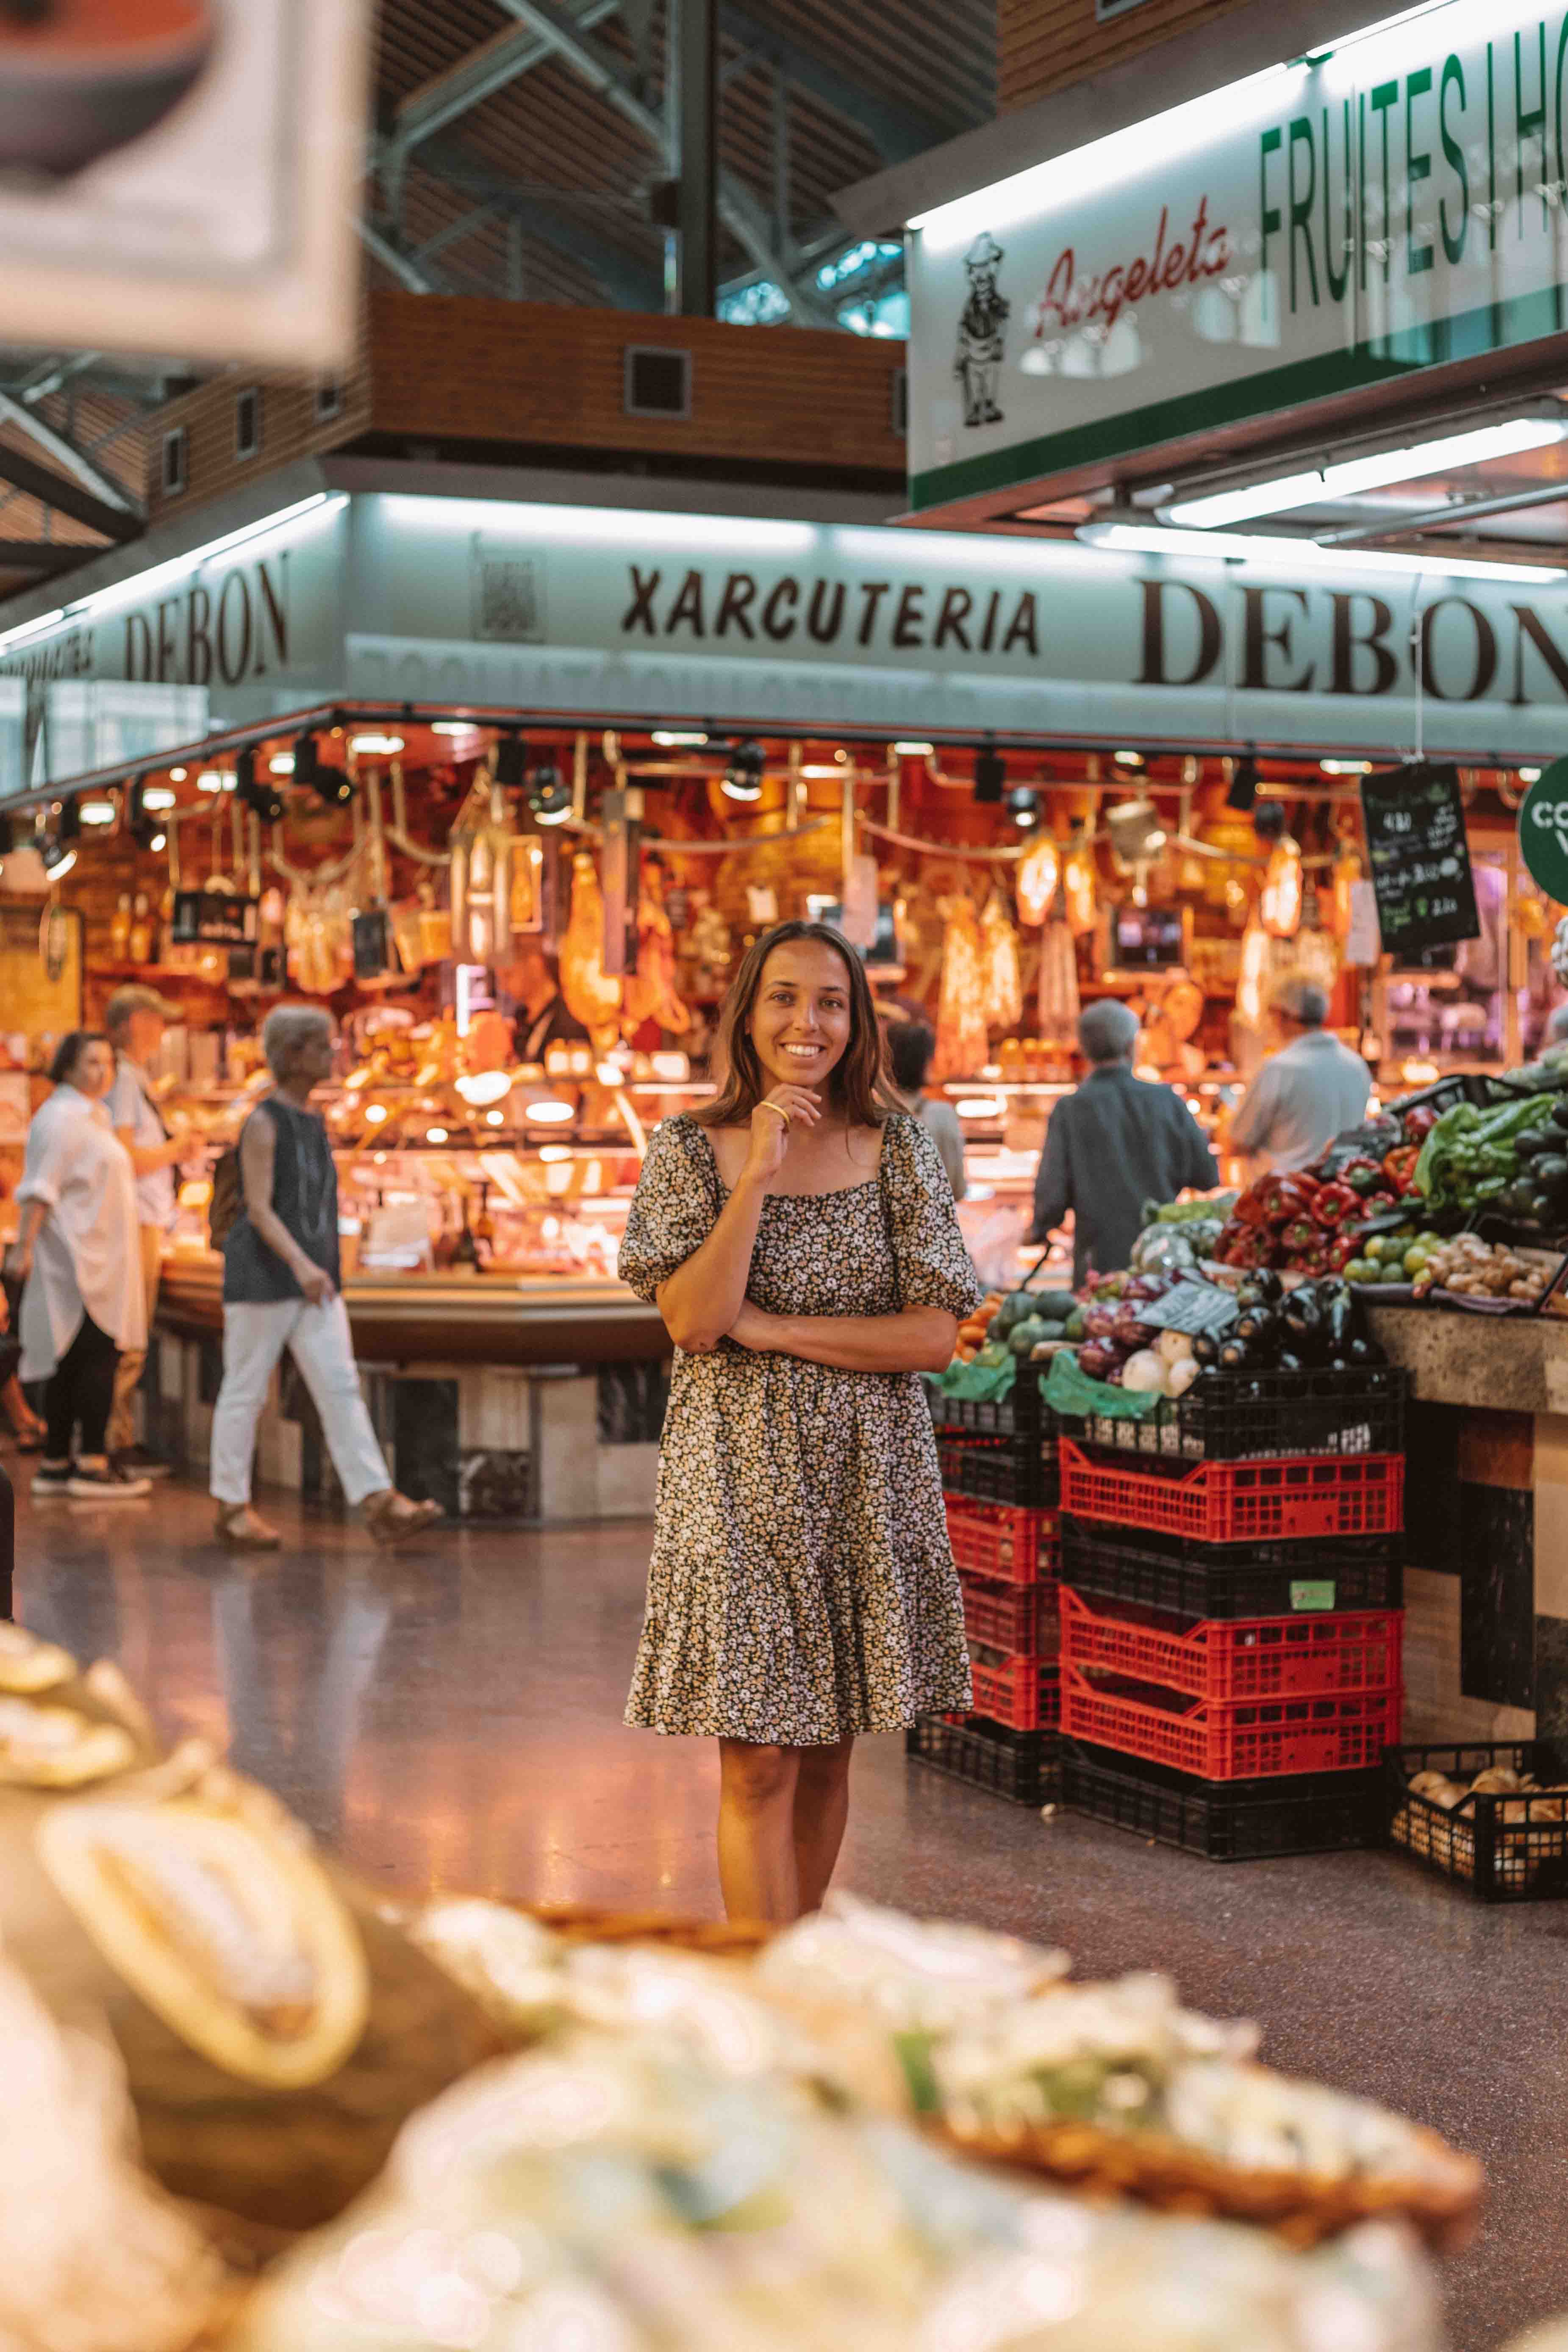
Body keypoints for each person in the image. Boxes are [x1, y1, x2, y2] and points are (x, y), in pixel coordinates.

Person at [618, 919, 982, 1925]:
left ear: (855, 1019)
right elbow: (693, 1319)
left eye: (829, 1001)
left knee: (827, 1749)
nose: (806, 1022)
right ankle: (761, 1990)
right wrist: (757, 1177)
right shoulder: (688, 1150)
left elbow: (929, 1338)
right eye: (783, 997)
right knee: (757, 1758)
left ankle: (802, 1965)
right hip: (733, 1478)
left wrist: (773, 1330)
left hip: (866, 1475)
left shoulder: (897, 1146)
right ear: (747, 1012)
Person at [209, 1005, 441, 1551]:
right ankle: (231, 1505)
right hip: (270, 1275)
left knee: (339, 1386)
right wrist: (305, 1265)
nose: (333, 1054)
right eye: (322, 1045)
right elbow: (260, 1209)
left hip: (311, 1276)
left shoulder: (312, 1120)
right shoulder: (264, 1122)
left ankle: (379, 1500)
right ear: (292, 1054)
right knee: (244, 1389)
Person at [13, 1031, 150, 1501]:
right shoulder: (62, 1118)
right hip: (78, 1259)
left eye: (108, 1062)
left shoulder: (90, 1115)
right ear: (68, 1066)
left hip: (98, 1257)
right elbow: (39, 1189)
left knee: (73, 1358)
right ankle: (89, 1462)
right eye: (91, 1062)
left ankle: (57, 1462)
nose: (101, 1072)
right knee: (93, 1357)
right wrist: (23, 1249)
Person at [1027, 999, 1217, 1285]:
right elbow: (1207, 1177)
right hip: (1164, 1261)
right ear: (1132, 1046)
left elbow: (1051, 1196)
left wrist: (1037, 1230)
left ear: (1084, 1050)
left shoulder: (1070, 1109)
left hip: (1098, 1267)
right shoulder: (1167, 1100)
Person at [105, 983, 188, 1478]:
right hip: (135, 1220)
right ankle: (114, 1443)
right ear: (135, 1021)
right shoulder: (122, 1079)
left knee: (131, 1332)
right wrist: (179, 1148)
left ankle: (119, 1438)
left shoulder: (134, 1078)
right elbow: (126, 1158)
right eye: (155, 1020)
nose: (162, 1030)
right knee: (129, 1334)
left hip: (145, 1218)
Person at [1229, 976, 1371, 1175]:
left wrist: (1224, 1119)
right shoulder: (1357, 1066)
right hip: (1340, 1191)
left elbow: (1238, 1144)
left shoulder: (1277, 1070)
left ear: (1282, 1015)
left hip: (1285, 1195)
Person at [885, 1019, 967, 1199]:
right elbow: (957, 1189)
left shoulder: (867, 1116)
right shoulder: (942, 1115)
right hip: (932, 1224)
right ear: (924, 1063)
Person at [504, 943, 590, 1064]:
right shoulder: (520, 1022)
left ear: (535, 964)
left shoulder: (570, 1022)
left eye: (508, 976)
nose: (503, 987)